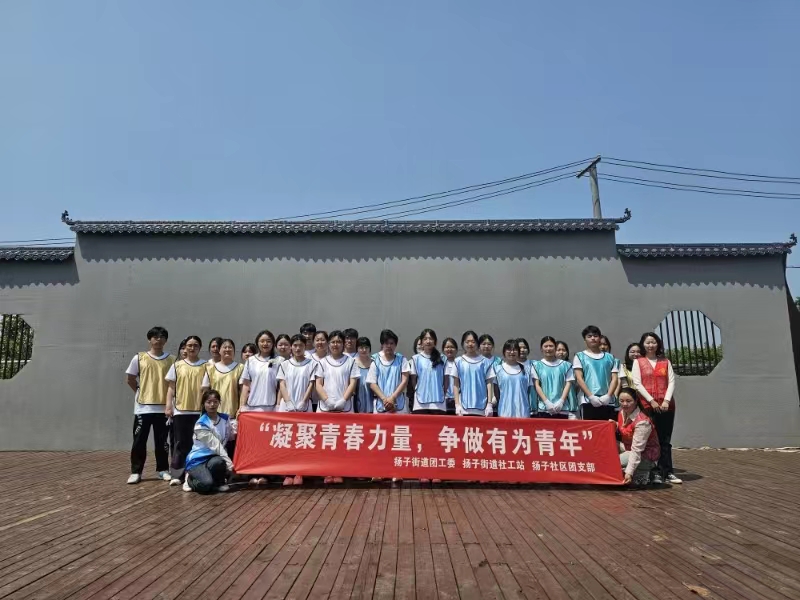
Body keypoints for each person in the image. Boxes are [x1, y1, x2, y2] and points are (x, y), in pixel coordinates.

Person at [124, 326, 175, 484]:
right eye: (155, 337)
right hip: (143, 408)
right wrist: (141, 392)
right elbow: (130, 379)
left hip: (163, 408)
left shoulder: (172, 360)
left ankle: (163, 470)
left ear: (166, 340)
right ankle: (136, 472)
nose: (158, 339)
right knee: (139, 441)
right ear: (149, 339)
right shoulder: (139, 358)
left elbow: (175, 383)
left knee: (162, 441)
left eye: (161, 337)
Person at [633, 332, 681, 485]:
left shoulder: (665, 361)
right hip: (648, 406)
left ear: (658, 344)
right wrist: (651, 401)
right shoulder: (638, 362)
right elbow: (637, 383)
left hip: (666, 406)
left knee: (665, 440)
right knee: (651, 440)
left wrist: (666, 400)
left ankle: (667, 471)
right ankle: (654, 473)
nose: (650, 345)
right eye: (647, 342)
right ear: (643, 345)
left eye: (653, 342)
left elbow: (671, 382)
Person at [239, 330, 283, 487]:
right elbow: (246, 385)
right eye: (262, 341)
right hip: (253, 408)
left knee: (269, 443)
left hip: (270, 408)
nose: (265, 344)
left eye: (268, 341)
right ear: (257, 342)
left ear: (273, 344)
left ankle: (267, 473)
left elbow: (281, 385)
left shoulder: (279, 360)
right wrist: (242, 406)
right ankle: (253, 473)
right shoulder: (251, 361)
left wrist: (278, 405)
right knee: (254, 443)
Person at [315, 330, 360, 484]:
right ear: (329, 344)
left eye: (339, 342)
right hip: (325, 408)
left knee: (342, 441)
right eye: (333, 342)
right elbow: (318, 384)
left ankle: (340, 470)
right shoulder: (322, 362)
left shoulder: (351, 361)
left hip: (344, 407)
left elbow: (353, 383)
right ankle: (327, 471)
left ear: (343, 344)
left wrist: (343, 400)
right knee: (326, 441)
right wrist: (326, 400)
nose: (336, 345)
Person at [367, 329, 410, 483]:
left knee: (398, 438)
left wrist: (392, 397)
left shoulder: (402, 360)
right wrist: (385, 398)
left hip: (398, 405)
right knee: (380, 439)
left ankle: (397, 471)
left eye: (391, 343)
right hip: (381, 405)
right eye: (386, 343)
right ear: (382, 345)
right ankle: (379, 471)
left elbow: (404, 380)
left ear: (395, 345)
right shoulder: (375, 360)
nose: (389, 346)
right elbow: (372, 383)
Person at [276, 334, 318, 486]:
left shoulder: (312, 363)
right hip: (287, 407)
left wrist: (303, 401)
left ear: (305, 346)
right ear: (291, 347)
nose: (298, 348)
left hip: (304, 406)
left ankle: (300, 472)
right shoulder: (284, 364)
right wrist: (287, 401)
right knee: (287, 439)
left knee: (302, 439)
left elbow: (311, 384)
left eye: (301, 345)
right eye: (295, 345)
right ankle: (288, 473)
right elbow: (282, 384)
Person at [165, 335, 206, 486]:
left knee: (199, 444)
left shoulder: (205, 365)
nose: (192, 348)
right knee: (180, 444)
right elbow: (171, 388)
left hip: (199, 411)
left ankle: (195, 473)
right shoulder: (177, 365)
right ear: (185, 347)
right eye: (190, 345)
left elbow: (207, 389)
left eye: (195, 345)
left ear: (200, 348)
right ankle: (177, 473)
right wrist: (168, 406)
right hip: (181, 410)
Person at [184, 389, 234, 494]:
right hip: (197, 460)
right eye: (209, 402)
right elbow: (216, 445)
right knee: (206, 485)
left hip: (214, 457)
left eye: (215, 401)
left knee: (219, 462)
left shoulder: (225, 418)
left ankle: (219, 482)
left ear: (219, 402)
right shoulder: (201, 424)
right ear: (203, 404)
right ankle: (189, 479)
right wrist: (230, 463)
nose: (212, 405)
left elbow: (230, 437)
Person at [203, 339, 244, 458]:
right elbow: (205, 390)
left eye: (230, 347)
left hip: (232, 414)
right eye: (224, 347)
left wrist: (241, 407)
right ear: (219, 350)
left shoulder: (240, 367)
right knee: (214, 446)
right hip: (214, 414)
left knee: (232, 447)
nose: (227, 349)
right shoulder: (211, 368)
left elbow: (243, 390)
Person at [614, 387, 661, 486]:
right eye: (621, 401)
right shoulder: (622, 413)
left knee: (611, 462)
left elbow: (636, 450)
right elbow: (625, 429)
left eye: (628, 401)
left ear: (636, 401)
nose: (624, 404)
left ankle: (642, 472)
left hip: (644, 455)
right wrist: (615, 425)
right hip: (628, 448)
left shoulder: (643, 422)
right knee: (607, 447)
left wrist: (629, 473)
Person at [573, 326, 619, 421]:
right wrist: (591, 396)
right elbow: (579, 378)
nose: (593, 338)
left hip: (608, 401)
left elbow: (614, 378)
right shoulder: (579, 356)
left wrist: (608, 395)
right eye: (589, 336)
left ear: (599, 338)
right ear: (585, 340)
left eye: (595, 336)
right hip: (588, 401)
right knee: (589, 429)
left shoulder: (610, 357)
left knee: (608, 428)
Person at [453, 330, 495, 417]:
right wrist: (457, 404)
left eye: (473, 341)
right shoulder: (458, 361)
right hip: (464, 408)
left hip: (482, 408)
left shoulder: (485, 361)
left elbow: (489, 383)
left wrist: (489, 404)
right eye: (467, 342)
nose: (470, 344)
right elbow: (456, 384)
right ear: (463, 344)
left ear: (477, 343)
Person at [532, 336, 576, 419]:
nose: (548, 349)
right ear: (541, 349)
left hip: (562, 408)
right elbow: (537, 385)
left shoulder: (566, 365)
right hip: (544, 409)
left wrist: (561, 401)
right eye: (546, 346)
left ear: (555, 348)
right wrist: (546, 402)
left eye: (551, 346)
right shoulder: (536, 365)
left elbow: (568, 384)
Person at [491, 340, 532, 418]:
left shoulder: (527, 369)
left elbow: (529, 391)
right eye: (509, 349)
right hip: (504, 412)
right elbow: (496, 392)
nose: (512, 352)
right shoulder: (497, 369)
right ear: (504, 352)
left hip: (523, 412)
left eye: (515, 350)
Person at [555, 341, 579, 415]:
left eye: (564, 350)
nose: (561, 352)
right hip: (555, 405)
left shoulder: (572, 367)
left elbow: (577, 386)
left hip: (571, 405)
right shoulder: (549, 367)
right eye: (558, 350)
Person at [309, 330, 329, 411]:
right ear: (313, 343)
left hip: (328, 400)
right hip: (310, 400)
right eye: (317, 340)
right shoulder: (308, 359)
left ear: (327, 342)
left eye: (323, 340)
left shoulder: (332, 359)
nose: (320, 342)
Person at [354, 337, 374, 414]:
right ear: (357, 349)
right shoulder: (352, 363)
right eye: (361, 348)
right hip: (356, 400)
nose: (364, 350)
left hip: (372, 399)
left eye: (366, 347)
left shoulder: (374, 363)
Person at [441, 337, 459, 414]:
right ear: (443, 350)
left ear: (456, 350)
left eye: (452, 347)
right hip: (444, 399)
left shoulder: (460, 362)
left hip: (458, 399)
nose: (449, 349)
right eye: (447, 347)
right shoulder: (440, 364)